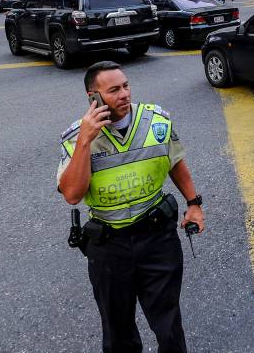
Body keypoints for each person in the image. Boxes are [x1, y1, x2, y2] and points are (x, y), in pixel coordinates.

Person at [57, 61, 204, 353]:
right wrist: (86, 141)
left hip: (157, 238)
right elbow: (72, 194)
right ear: (93, 98)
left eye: (126, 86)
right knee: (118, 330)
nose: (124, 94)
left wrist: (194, 204)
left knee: (168, 325)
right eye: (113, 90)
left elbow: (176, 163)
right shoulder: (75, 138)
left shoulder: (156, 121)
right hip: (110, 247)